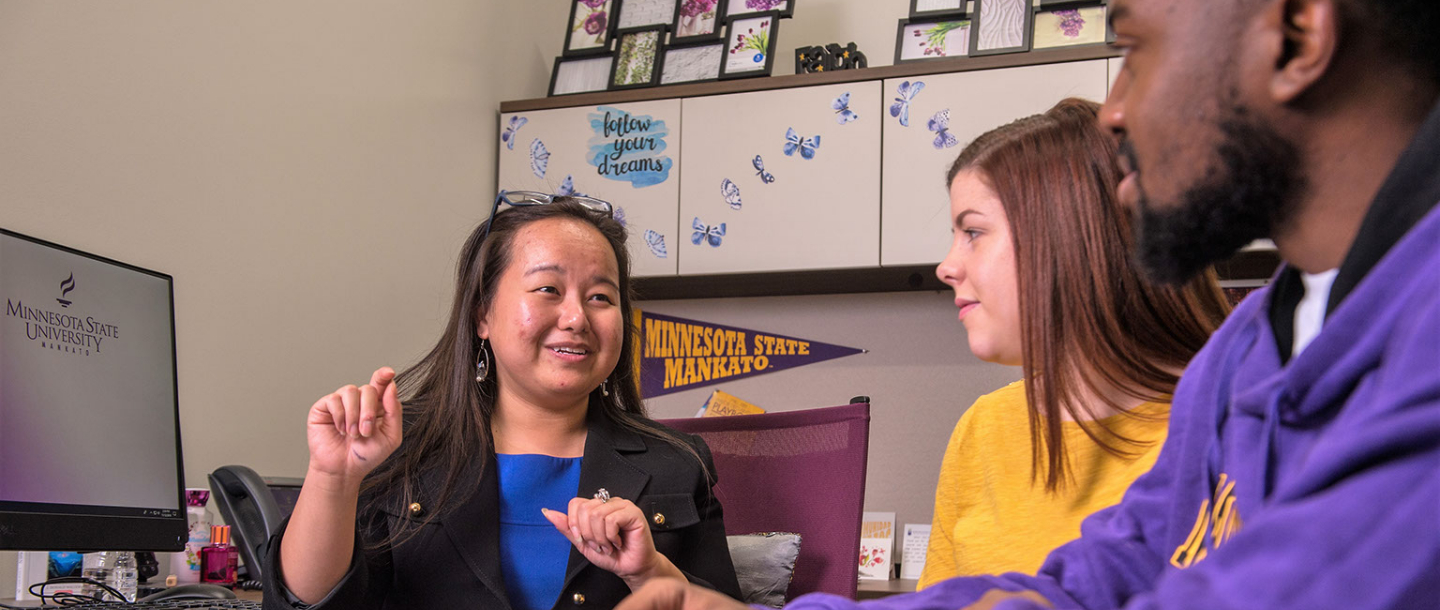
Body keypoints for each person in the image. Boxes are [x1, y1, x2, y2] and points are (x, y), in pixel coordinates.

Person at [614, 0, 1440, 607]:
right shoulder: (1247, 349)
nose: (1114, 113)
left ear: (1297, 35)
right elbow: (1091, 577)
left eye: (1137, 50)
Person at [262, 196, 742, 610]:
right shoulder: (395, 443)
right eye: (548, 290)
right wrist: (333, 478)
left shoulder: (677, 463)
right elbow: (304, 604)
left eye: (600, 297)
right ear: (482, 314)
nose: (576, 317)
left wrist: (650, 573)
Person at [919, 98, 1229, 586]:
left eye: (973, 232)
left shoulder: (1227, 429)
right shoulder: (982, 429)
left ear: (1065, 240)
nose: (947, 266)